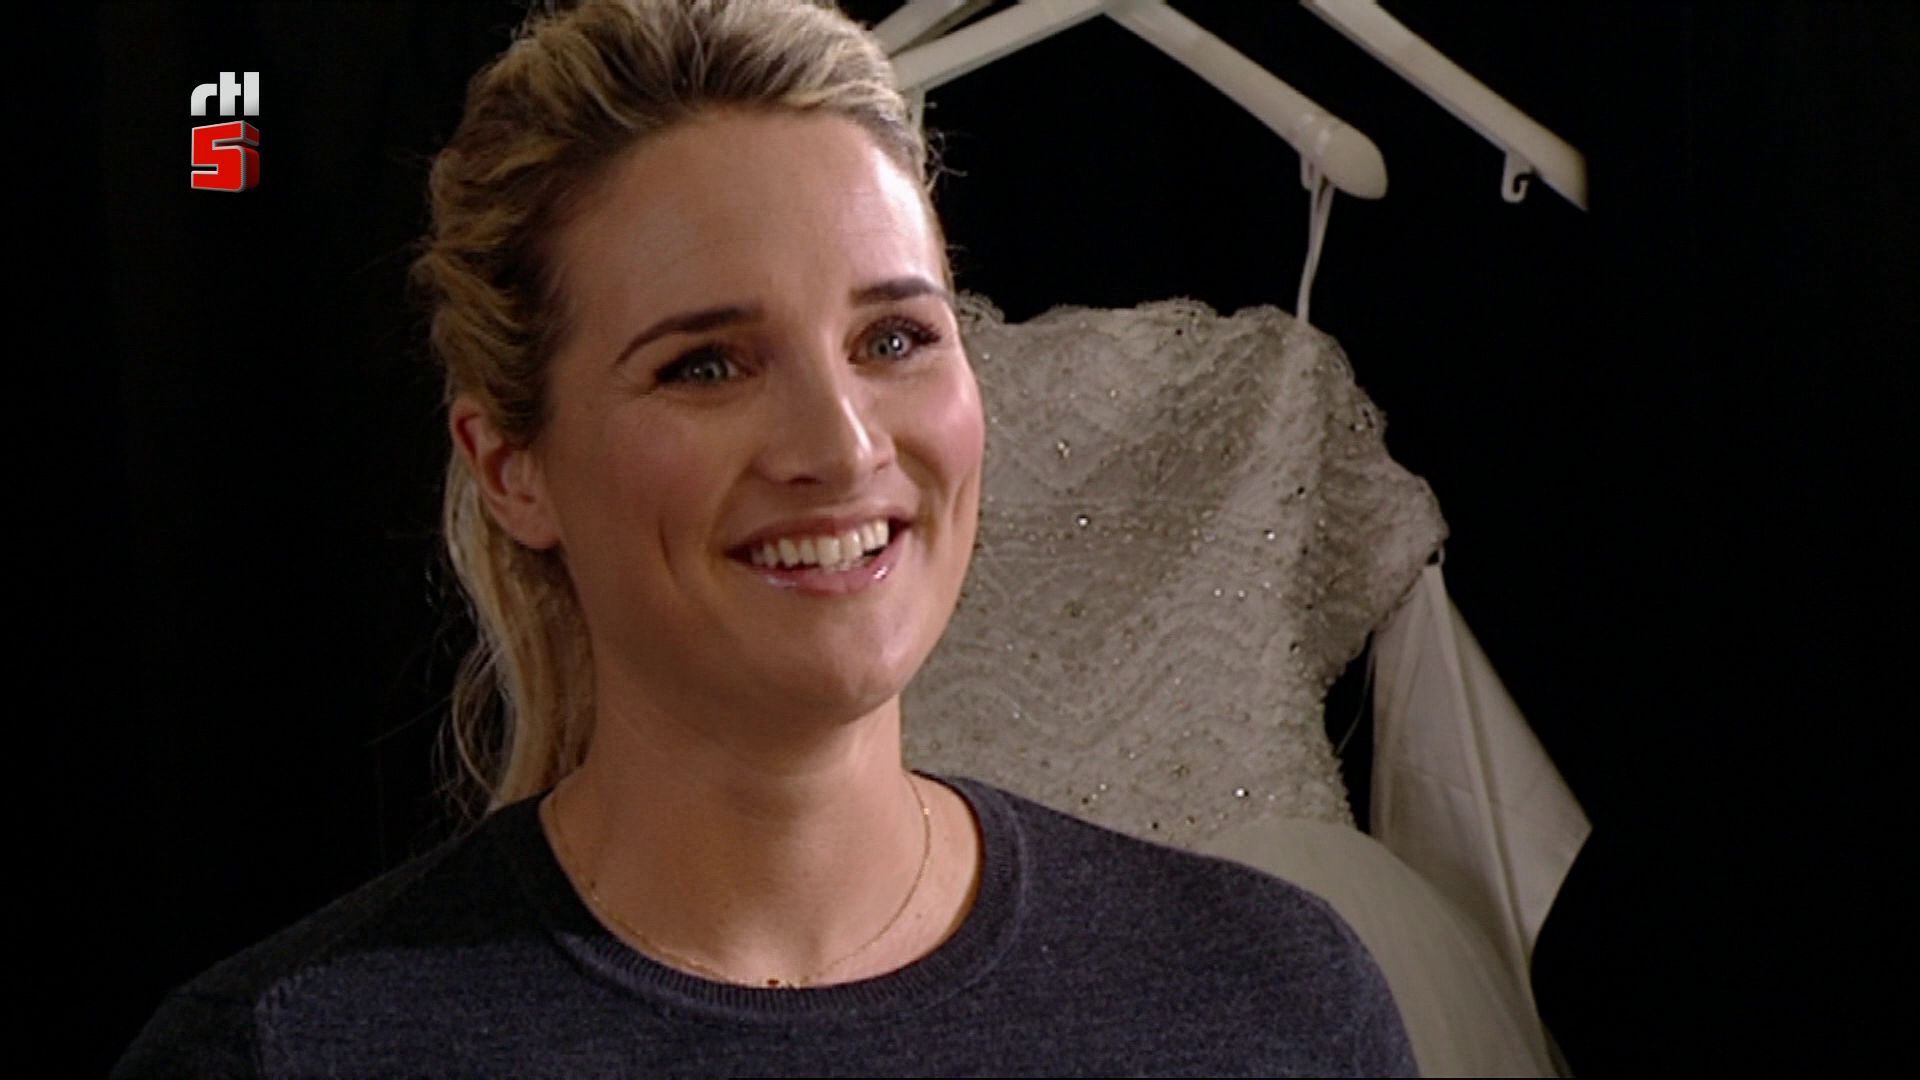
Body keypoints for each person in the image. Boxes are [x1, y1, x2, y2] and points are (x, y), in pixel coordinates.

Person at [115, 1, 1416, 1074]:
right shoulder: (285, 1049)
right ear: (512, 470)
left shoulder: (1274, 1001)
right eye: (706, 365)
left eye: (894, 338)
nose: (840, 447)